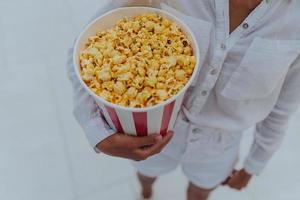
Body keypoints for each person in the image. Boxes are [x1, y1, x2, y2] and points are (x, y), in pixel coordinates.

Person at [67, 0, 300, 199]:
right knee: (146, 173)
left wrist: (254, 165)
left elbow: (282, 107)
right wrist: (96, 130)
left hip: (219, 145)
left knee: (200, 192)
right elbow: (85, 48)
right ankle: (145, 192)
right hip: (151, 128)